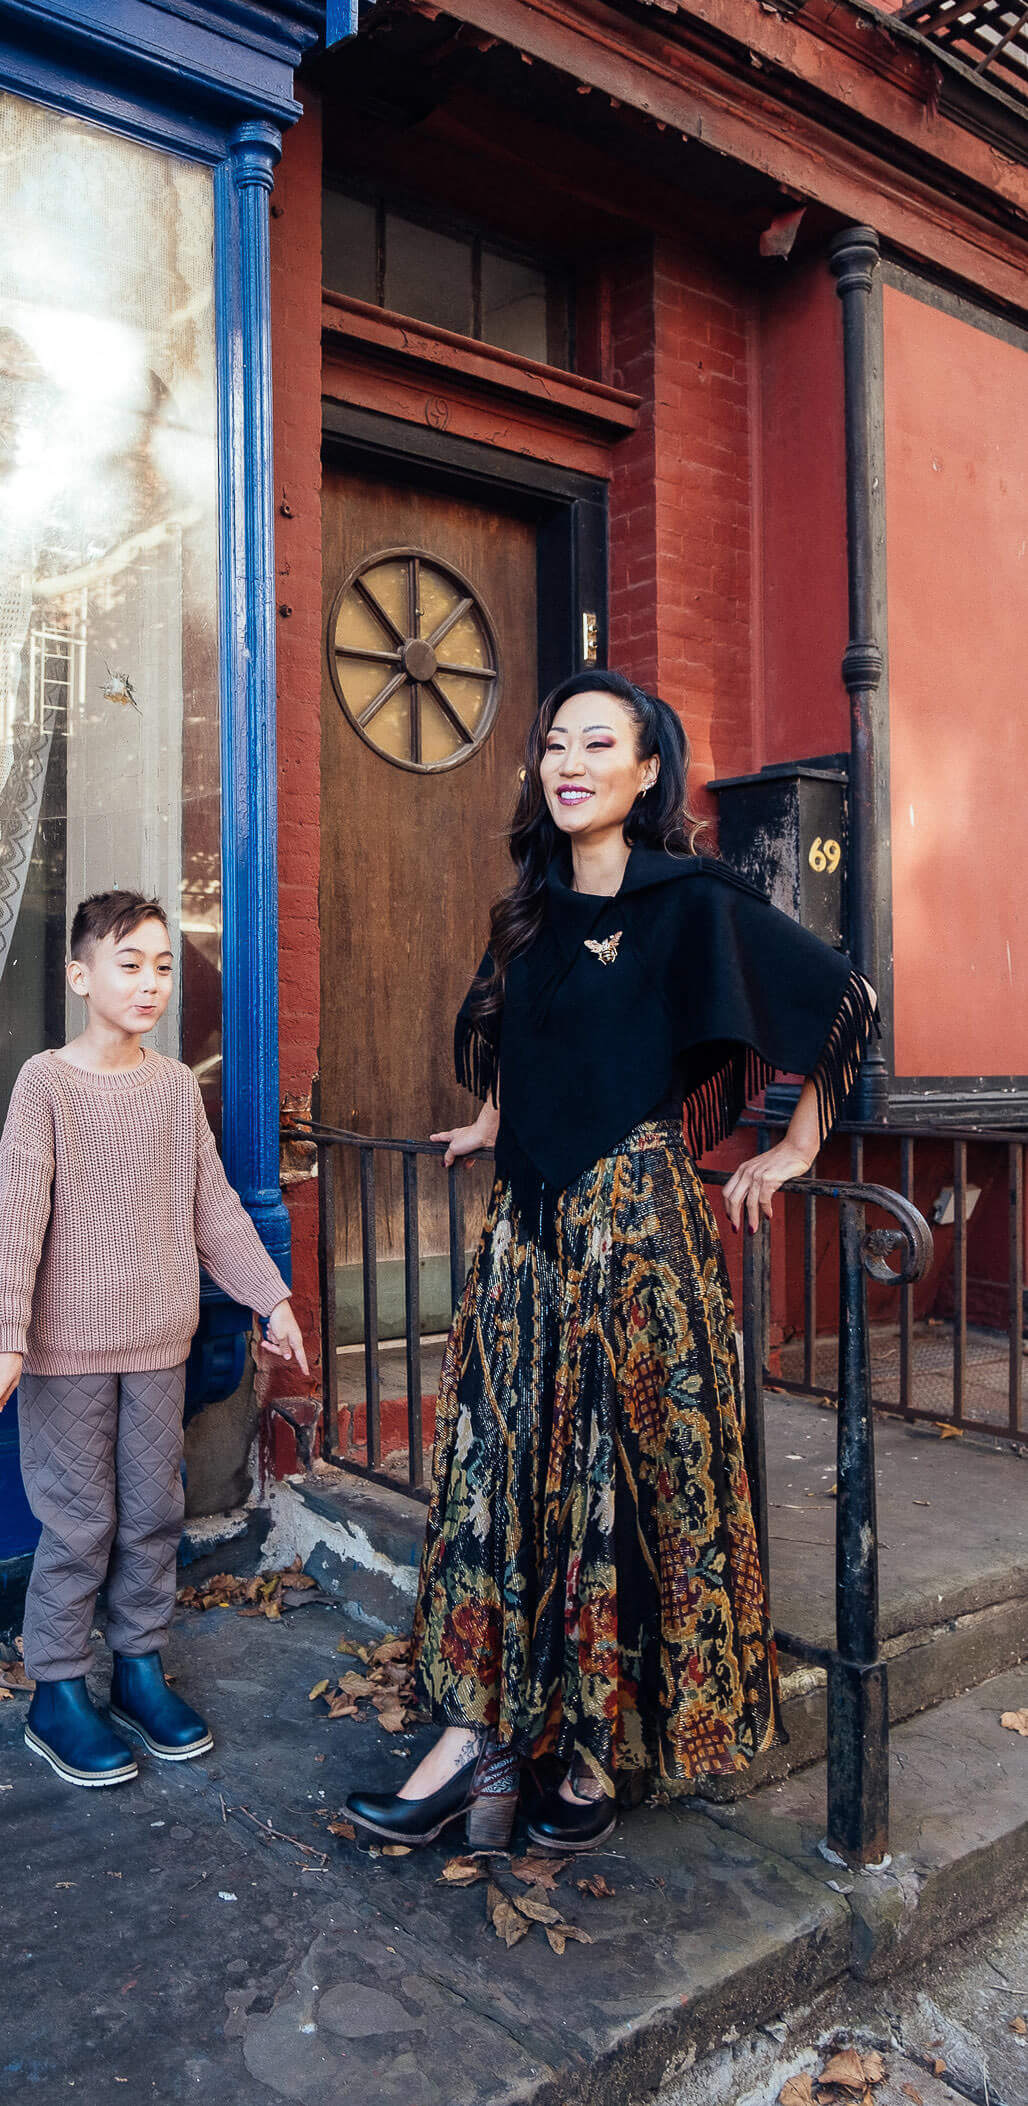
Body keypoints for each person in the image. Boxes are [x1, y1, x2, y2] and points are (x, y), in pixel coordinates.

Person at [343, 670, 876, 1856]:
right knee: (498, 1475)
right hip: (528, 1234)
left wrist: (793, 1146)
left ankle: (589, 1748)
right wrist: (490, 1120)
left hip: (637, 1234)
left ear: (646, 774)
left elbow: (843, 993)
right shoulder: (525, 911)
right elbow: (517, 1034)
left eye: (600, 744)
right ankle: (471, 1737)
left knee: (621, 1483)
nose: (569, 761)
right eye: (554, 745)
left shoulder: (692, 900)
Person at [0, 888, 307, 1789]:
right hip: (66, 1350)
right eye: (131, 964)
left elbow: (214, 1210)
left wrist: (270, 1299)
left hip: (160, 1343)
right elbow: (18, 1216)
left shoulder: (171, 1089)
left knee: (154, 1513)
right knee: (80, 1523)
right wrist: (6, 1335)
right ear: (82, 977)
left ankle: (141, 1667)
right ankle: (56, 1689)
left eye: (164, 965)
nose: (152, 982)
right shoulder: (45, 1083)